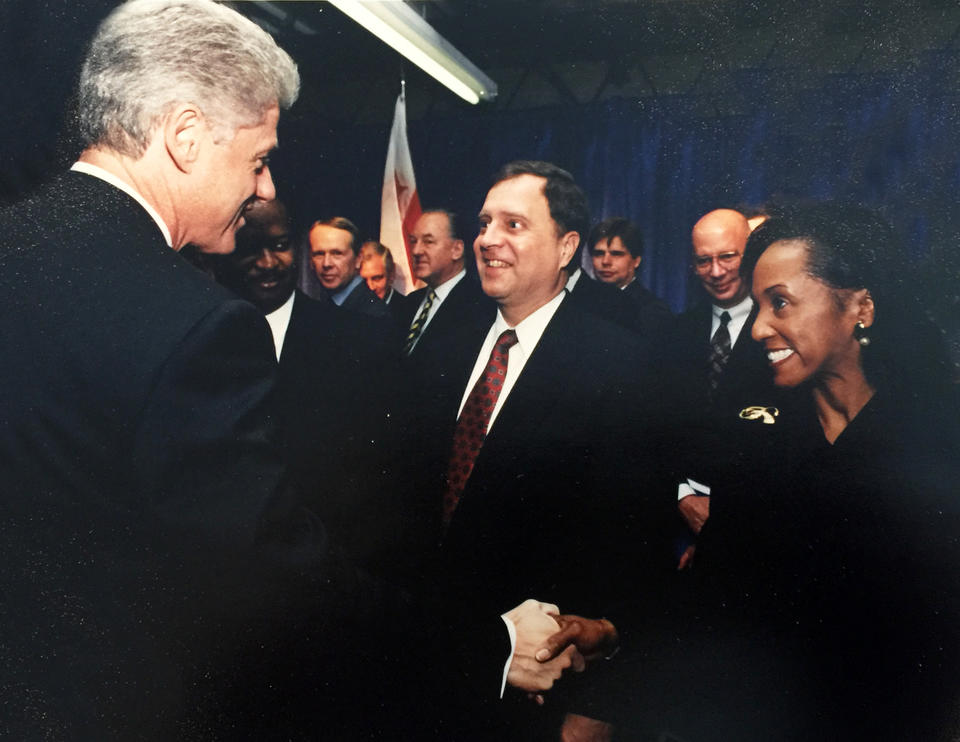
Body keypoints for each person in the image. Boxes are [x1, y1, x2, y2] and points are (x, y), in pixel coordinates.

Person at [0, 2, 572, 737]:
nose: (266, 189)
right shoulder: (194, 325)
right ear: (183, 137)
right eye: (260, 158)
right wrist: (491, 645)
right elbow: (273, 581)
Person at [559, 204, 960, 740]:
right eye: (758, 304)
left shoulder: (938, 439)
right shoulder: (762, 436)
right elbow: (714, 591)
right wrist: (610, 639)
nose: (758, 328)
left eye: (780, 304)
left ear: (859, 307)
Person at [402, 160, 673, 740]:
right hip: (427, 668)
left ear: (567, 246)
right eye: (483, 223)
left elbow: (636, 550)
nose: (488, 240)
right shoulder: (440, 346)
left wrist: (598, 706)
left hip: (541, 694)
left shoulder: (621, 366)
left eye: (514, 225)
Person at [400, 209, 494, 359]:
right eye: (413, 241)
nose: (416, 251)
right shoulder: (409, 302)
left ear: (457, 249)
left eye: (428, 242)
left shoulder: (480, 305)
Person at [588, 216, 673, 342]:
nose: (606, 261)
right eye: (599, 254)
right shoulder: (579, 303)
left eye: (616, 254)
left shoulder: (654, 312)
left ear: (636, 261)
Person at [308, 216, 390, 318]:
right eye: (319, 254)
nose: (326, 263)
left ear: (359, 259)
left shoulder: (374, 314)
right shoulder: (322, 305)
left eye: (337, 253)